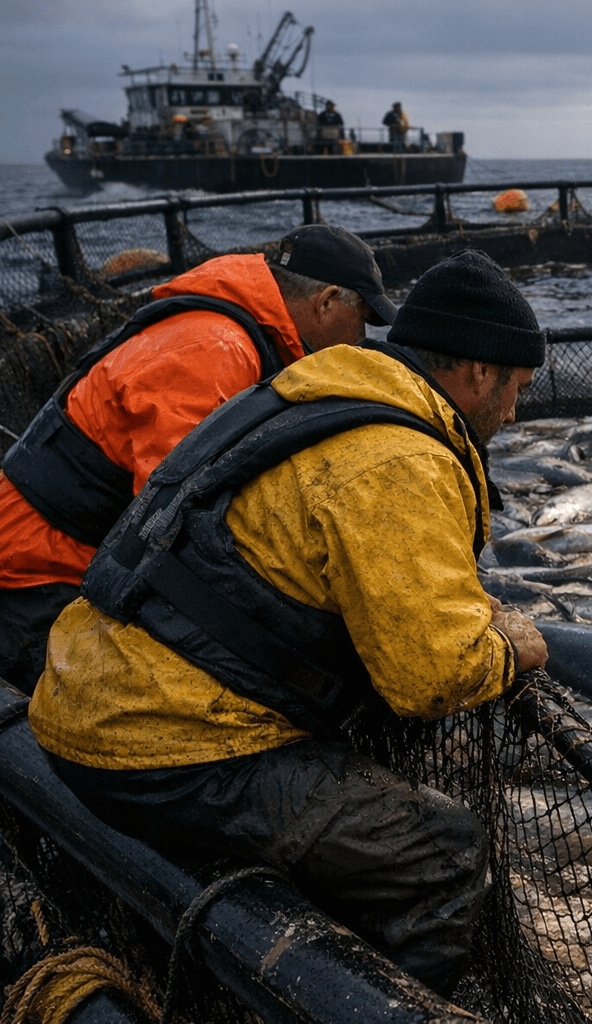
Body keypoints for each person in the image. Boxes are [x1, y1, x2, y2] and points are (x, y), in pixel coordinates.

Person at [29, 248, 550, 996]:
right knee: (443, 852)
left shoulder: (309, 390)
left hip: (83, 688)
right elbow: (432, 678)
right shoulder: (398, 458)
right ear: (476, 373)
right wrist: (514, 647)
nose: (512, 413)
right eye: (515, 390)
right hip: (156, 746)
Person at [0, 224, 395, 692]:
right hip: (38, 572)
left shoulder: (239, 331)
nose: (361, 338)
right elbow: (170, 520)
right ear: (327, 301)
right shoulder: (212, 351)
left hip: (71, 555)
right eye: (363, 318)